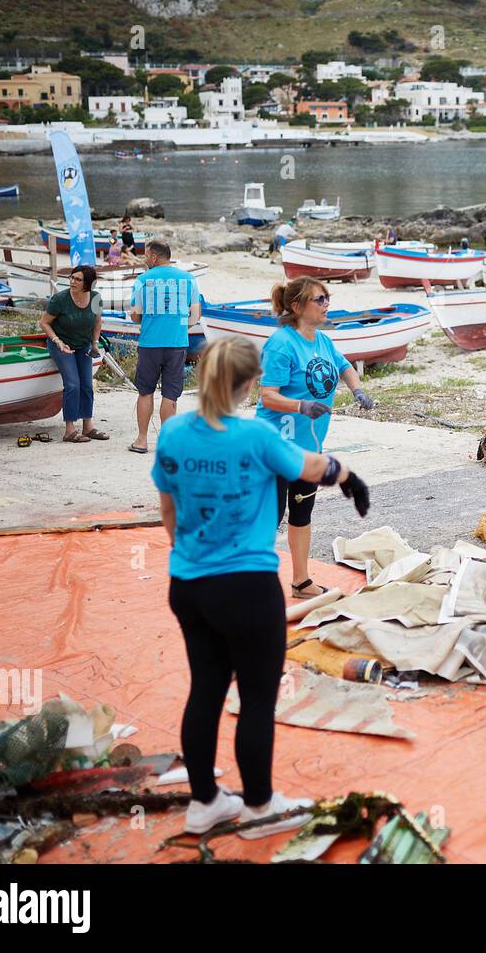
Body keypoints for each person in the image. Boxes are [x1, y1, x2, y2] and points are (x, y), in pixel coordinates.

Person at [153, 336, 371, 838]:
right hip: (247, 590)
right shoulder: (256, 438)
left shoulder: (174, 433)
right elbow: (314, 467)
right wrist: (350, 475)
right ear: (251, 384)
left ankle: (204, 801)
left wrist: (192, 557)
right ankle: (258, 807)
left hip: (188, 585)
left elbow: (168, 512)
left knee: (205, 690)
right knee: (255, 698)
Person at [256, 276, 376, 599]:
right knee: (269, 519)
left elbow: (343, 366)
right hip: (275, 447)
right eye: (318, 299)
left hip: (307, 449)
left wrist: (357, 388)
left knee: (301, 512)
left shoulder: (322, 340)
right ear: (297, 307)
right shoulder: (281, 344)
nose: (326, 305)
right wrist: (300, 405)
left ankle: (300, 582)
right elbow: (268, 396)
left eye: (327, 298)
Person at [127, 240, 201, 455]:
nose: (144, 259)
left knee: (145, 392)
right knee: (170, 395)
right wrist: (179, 327)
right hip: (177, 343)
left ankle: (142, 440)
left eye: (145, 255)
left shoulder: (143, 280)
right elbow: (195, 316)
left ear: (153, 257)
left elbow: (135, 315)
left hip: (150, 343)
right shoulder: (188, 279)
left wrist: (149, 320)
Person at [39, 265, 107, 443]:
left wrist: (94, 343)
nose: (72, 281)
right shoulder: (60, 299)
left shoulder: (95, 298)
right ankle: (69, 430)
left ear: (88, 284)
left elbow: (97, 322)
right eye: (72, 277)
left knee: (87, 385)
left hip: (84, 345)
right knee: (73, 385)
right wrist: (57, 342)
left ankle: (88, 426)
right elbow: (44, 323)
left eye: (78, 279)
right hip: (62, 344)